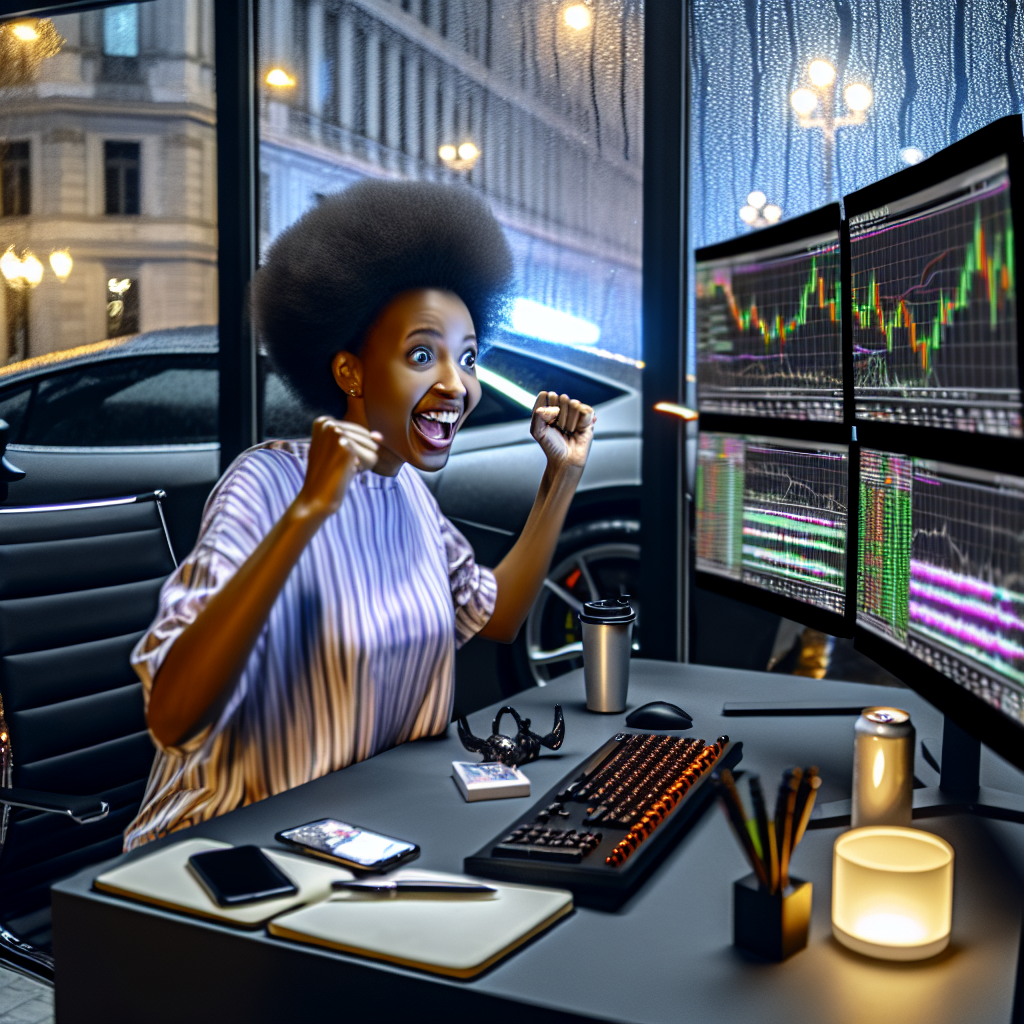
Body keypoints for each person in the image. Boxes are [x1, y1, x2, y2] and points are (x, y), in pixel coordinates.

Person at [123, 180, 596, 849]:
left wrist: (561, 476)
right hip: (223, 851)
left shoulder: (409, 493)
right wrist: (308, 512)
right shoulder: (266, 481)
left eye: (467, 358)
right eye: (423, 354)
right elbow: (174, 717)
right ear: (351, 372)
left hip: (359, 839)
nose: (456, 385)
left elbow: (496, 615)